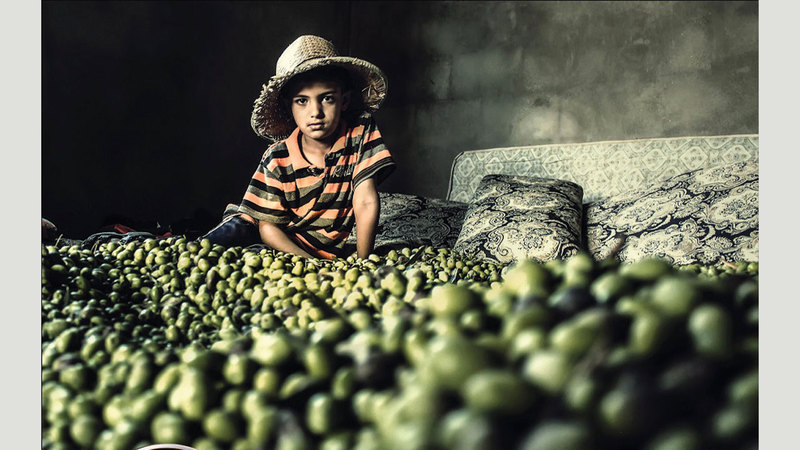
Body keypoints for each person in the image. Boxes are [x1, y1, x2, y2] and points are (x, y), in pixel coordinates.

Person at [203, 35, 395, 260]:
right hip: (268, 234)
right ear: (288, 106)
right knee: (218, 245)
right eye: (302, 101)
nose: (316, 112)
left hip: (307, 251)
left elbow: (365, 200)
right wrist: (310, 262)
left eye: (327, 99)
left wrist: (363, 262)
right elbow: (267, 227)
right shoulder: (277, 158)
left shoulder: (360, 132)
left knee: (256, 256)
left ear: (344, 101)